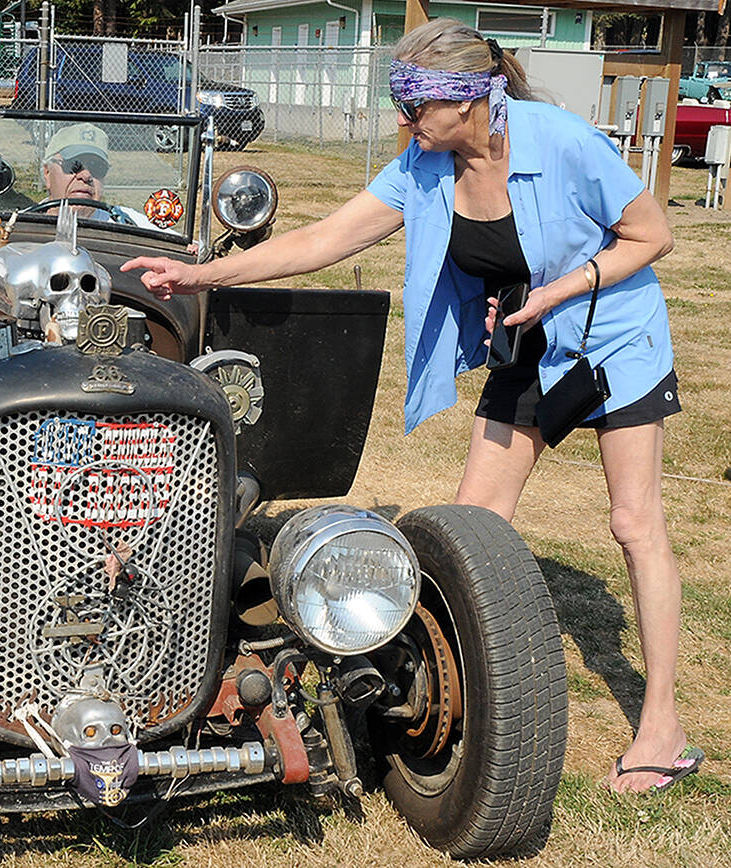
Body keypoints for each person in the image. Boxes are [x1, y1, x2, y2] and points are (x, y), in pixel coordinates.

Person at [121, 18, 701, 795]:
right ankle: (434, 699)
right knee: (472, 525)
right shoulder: (426, 162)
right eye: (401, 104)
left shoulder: (561, 142)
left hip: (612, 341)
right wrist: (201, 277)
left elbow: (651, 234)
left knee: (634, 523)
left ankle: (662, 721)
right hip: (525, 342)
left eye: (416, 106)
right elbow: (331, 236)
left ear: (470, 101)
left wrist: (561, 289)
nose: (404, 121)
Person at [40, 123, 156, 228]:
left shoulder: (128, 223)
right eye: (73, 165)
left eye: (97, 167)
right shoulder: (24, 224)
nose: (85, 175)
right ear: (47, 173)